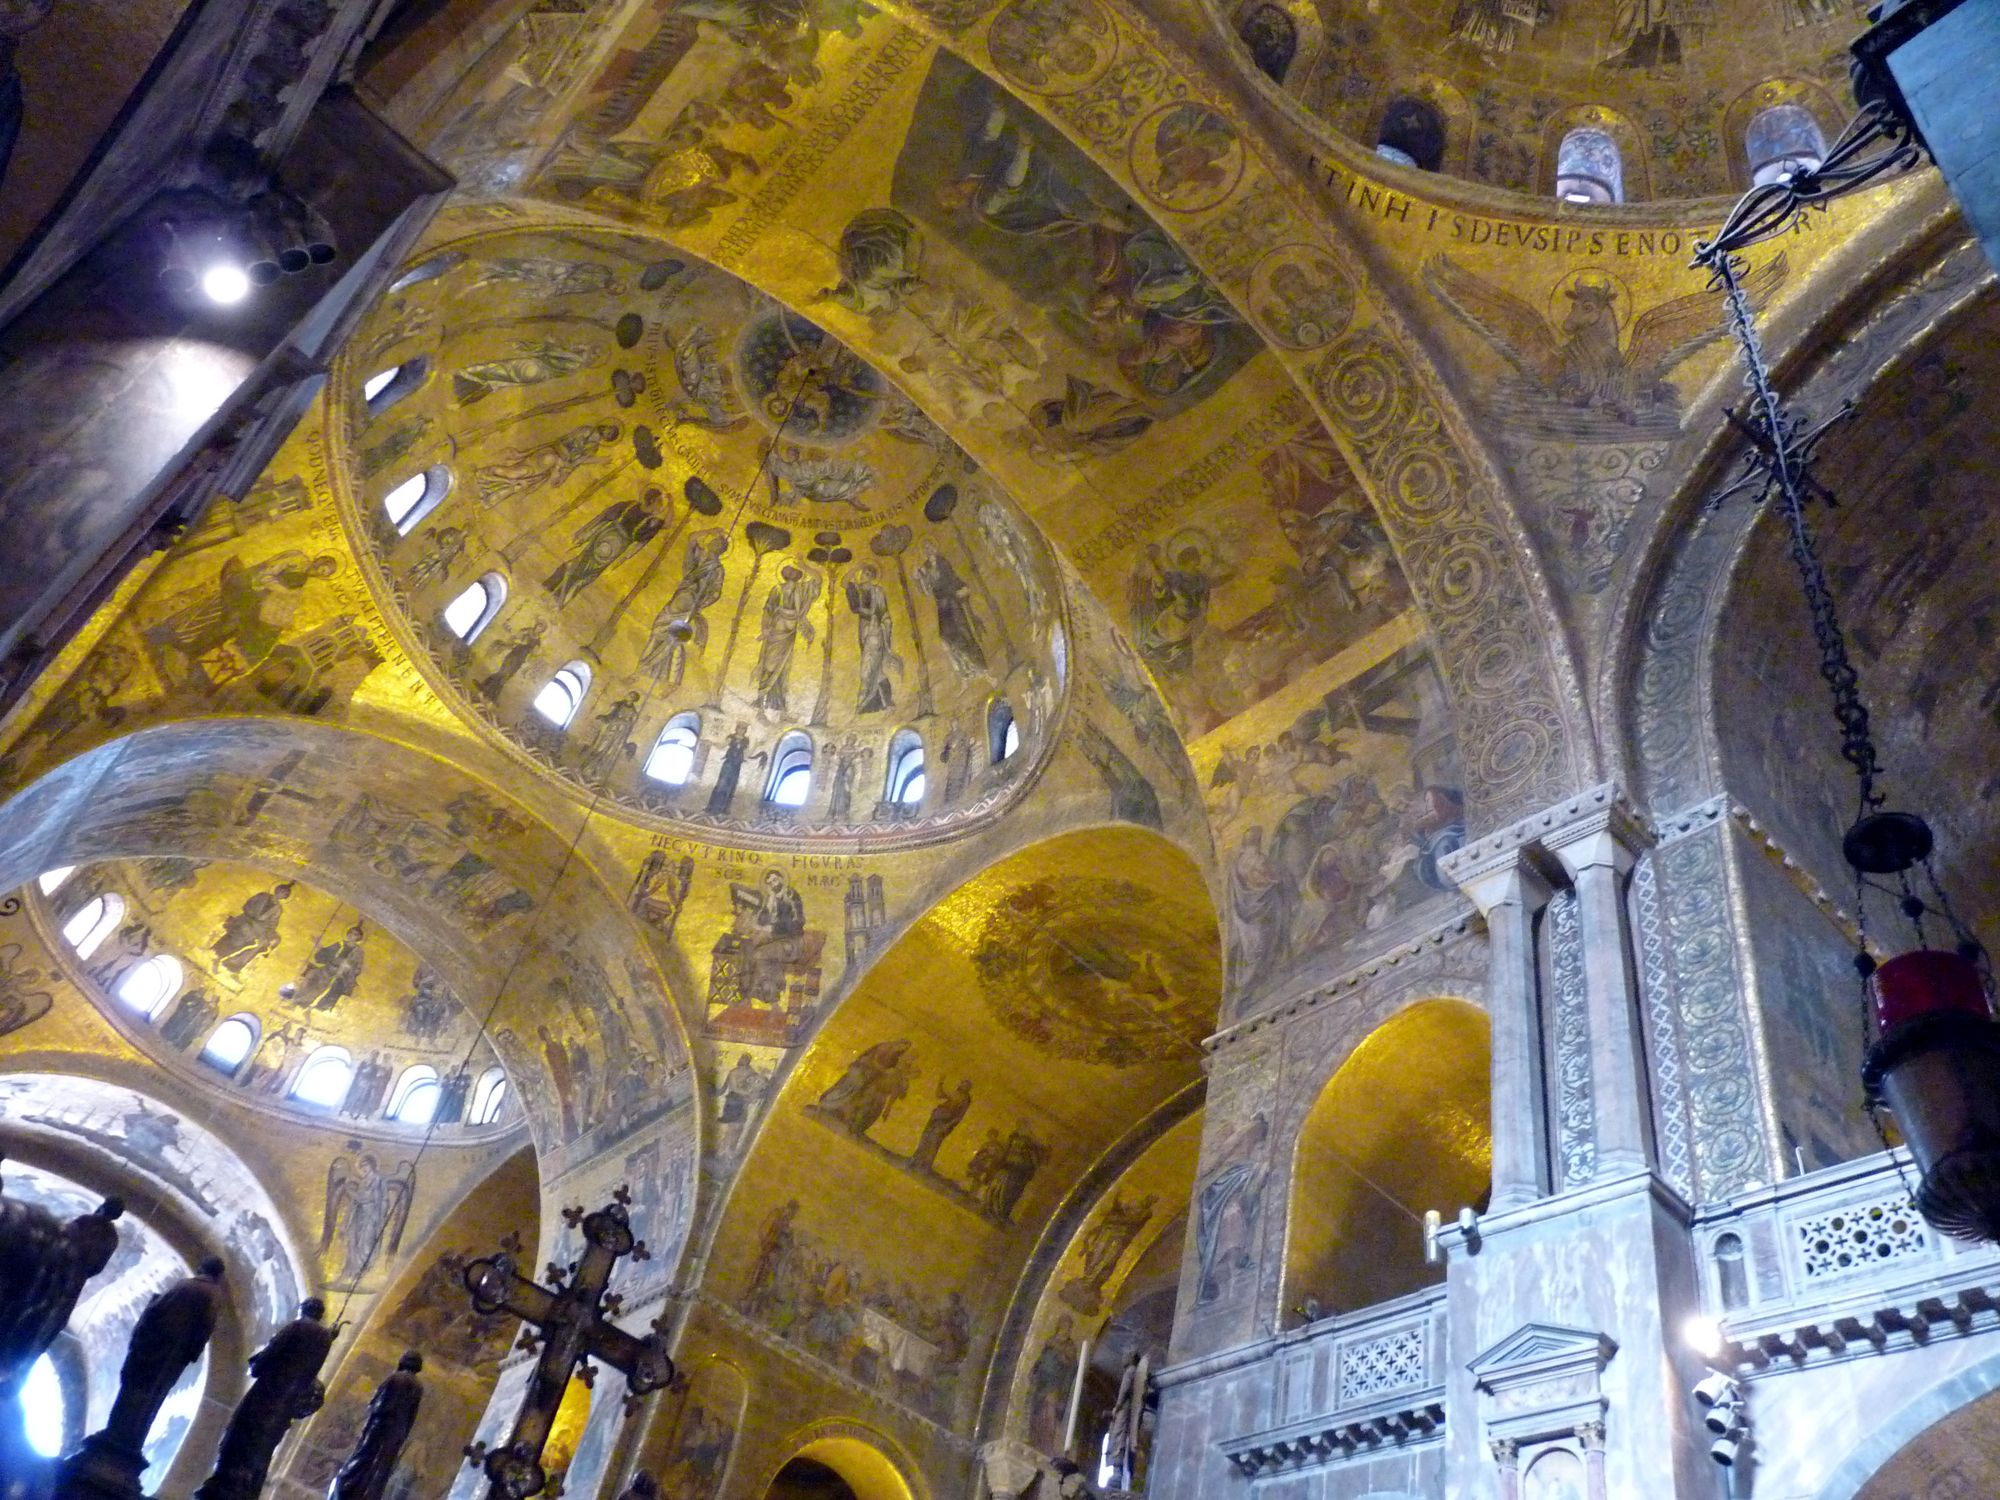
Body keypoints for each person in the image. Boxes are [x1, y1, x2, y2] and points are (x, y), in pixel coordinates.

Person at [194, 1298, 336, 1500]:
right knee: (263, 1449)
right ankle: (247, 1488)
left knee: (240, 1436)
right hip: (286, 1405)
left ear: (304, 1309)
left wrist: (257, 1365)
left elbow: (273, 1349)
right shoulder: (325, 1339)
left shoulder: (298, 1326)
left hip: (267, 1394)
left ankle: (226, 1484)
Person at [328, 1352, 425, 1500]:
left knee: (363, 1456)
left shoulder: (396, 1378)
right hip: (396, 1433)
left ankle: (347, 1486)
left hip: (380, 1425)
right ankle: (367, 1492)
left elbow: (380, 1402)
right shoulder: (418, 1387)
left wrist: (373, 1410)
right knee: (382, 1465)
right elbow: (411, 1415)